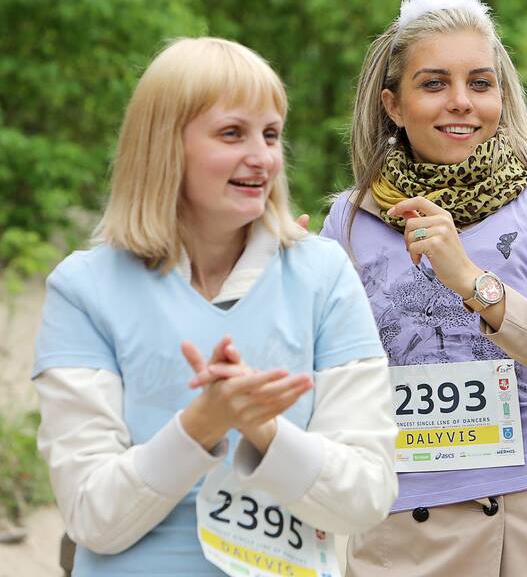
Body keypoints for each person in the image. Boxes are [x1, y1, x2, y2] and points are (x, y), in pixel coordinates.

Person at [32, 37, 398, 576]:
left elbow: (364, 499)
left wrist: (265, 433)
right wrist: (201, 427)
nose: (262, 157)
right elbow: (92, 516)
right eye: (232, 133)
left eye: (271, 134)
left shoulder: (324, 275)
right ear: (164, 145)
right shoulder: (82, 290)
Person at [321, 0, 527, 575]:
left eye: (480, 83)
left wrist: (470, 281)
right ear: (392, 104)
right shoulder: (350, 220)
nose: (461, 102)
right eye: (434, 84)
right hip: (397, 537)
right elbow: (327, 385)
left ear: (501, 97)